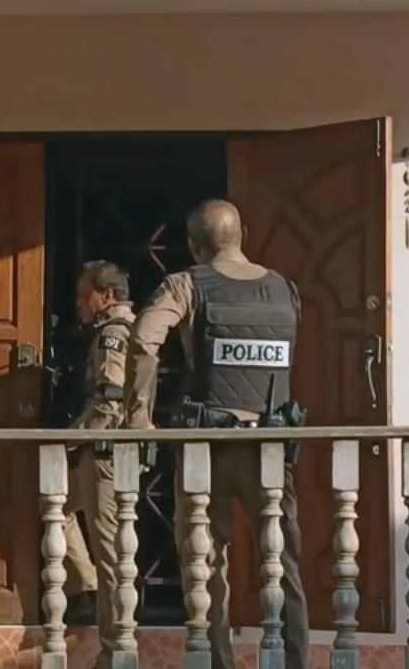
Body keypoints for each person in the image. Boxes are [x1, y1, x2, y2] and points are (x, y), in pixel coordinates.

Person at [125, 199, 308, 669]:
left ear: (193, 246)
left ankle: (218, 661)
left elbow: (143, 340)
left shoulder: (186, 284)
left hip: (206, 448)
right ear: (243, 233)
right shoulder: (283, 289)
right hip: (269, 446)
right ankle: (294, 661)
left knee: (205, 566)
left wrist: (140, 418)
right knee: (283, 564)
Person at [69, 260, 136, 668]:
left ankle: (116, 649)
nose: (80, 304)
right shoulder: (112, 330)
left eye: (85, 296)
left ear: (106, 296)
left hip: (105, 454)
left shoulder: (114, 334)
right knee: (55, 506)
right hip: (98, 452)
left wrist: (72, 437)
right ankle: (88, 585)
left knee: (111, 553)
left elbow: (109, 404)